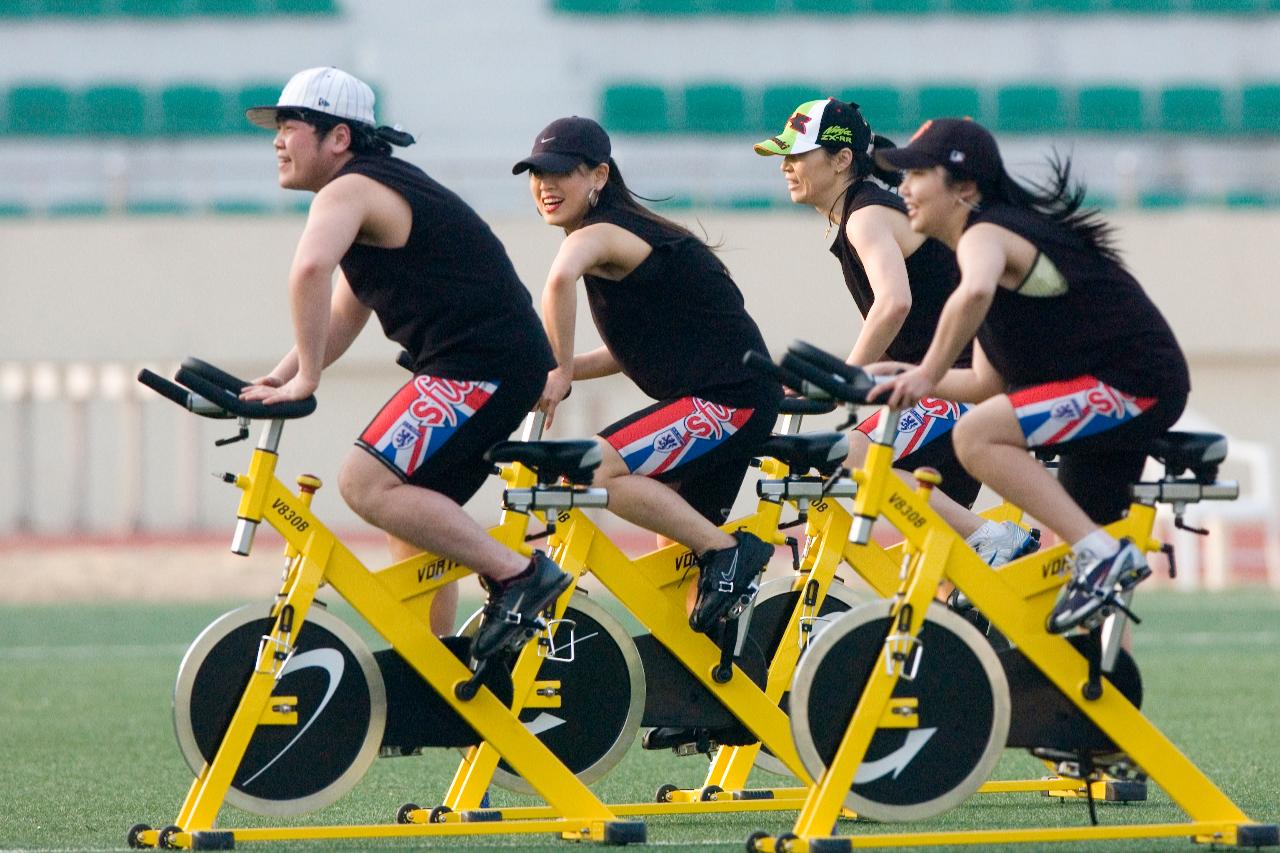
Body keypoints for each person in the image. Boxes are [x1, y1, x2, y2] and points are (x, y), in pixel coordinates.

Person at [236, 67, 570, 659]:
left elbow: (309, 272)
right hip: (491, 363)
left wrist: (308, 379)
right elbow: (344, 309)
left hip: (477, 365)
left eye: (290, 126)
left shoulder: (349, 189)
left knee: (362, 482)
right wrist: (283, 374)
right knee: (409, 515)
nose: (276, 141)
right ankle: (435, 666)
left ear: (338, 137)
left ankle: (521, 577)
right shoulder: (375, 188)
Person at [870, 118, 1190, 633]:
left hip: (1135, 385)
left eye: (918, 174)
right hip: (1123, 387)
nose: (903, 188)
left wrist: (926, 373)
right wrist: (892, 379)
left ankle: (1103, 557)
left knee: (977, 435)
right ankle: (1102, 691)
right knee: (1077, 575)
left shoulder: (986, 234)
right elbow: (983, 385)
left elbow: (971, 296)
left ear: (966, 189)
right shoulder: (985, 253)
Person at [512, 116, 783, 635]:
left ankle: (730, 553)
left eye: (561, 172)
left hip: (729, 400)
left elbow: (558, 280)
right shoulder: (622, 237)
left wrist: (559, 370)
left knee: (593, 469)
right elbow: (624, 353)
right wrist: (543, 374)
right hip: (728, 397)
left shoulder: (600, 233)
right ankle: (713, 701)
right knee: (678, 572)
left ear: (599, 176)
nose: (545, 186)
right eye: (535, 174)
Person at [754, 97, 1036, 567]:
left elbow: (893, 303)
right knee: (941, 570)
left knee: (855, 454)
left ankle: (995, 538)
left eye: (797, 155)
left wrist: (843, 378)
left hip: (961, 384)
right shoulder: (862, 214)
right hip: (949, 385)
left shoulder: (864, 217)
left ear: (842, 159)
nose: (786, 166)